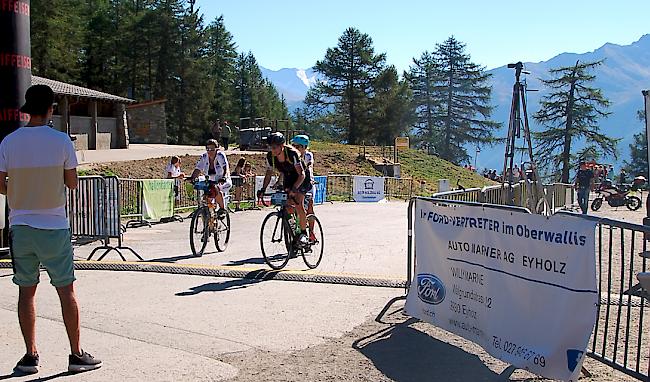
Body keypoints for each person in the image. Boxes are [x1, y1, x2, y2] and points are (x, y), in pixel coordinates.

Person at [0, 85, 102, 374]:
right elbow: (71, 184)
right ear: (50, 110)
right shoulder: (61, 142)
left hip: (20, 225)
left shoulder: (9, 142)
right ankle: (76, 354)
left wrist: (20, 192)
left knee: (26, 292)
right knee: (66, 290)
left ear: (26, 110)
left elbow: (0, 183)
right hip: (54, 224)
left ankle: (30, 356)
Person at [258, 132, 311, 245]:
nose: (272, 150)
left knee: (298, 204)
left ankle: (303, 233)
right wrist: (263, 189)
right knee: (288, 206)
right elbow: (268, 174)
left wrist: (294, 189)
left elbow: (301, 174)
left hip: (301, 177)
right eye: (270, 147)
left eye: (275, 147)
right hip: (288, 177)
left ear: (282, 145)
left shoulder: (292, 154)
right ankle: (293, 229)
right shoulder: (270, 156)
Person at [190, 139, 232, 217]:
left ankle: (222, 209)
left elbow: (225, 167)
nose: (210, 151)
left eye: (212, 149)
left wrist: (223, 177)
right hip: (211, 181)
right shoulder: (204, 156)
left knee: (217, 189)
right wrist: (192, 177)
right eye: (208, 149)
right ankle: (209, 221)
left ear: (217, 149)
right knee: (206, 200)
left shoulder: (220, 155)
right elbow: (198, 169)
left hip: (223, 180)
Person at [291, 134, 317, 242]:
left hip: (308, 183)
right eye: (293, 145)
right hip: (298, 183)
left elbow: (310, 166)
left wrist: (309, 177)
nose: (294, 148)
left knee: (309, 208)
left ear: (303, 147)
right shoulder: (292, 156)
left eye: (296, 146)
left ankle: (311, 233)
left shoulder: (308, 155)